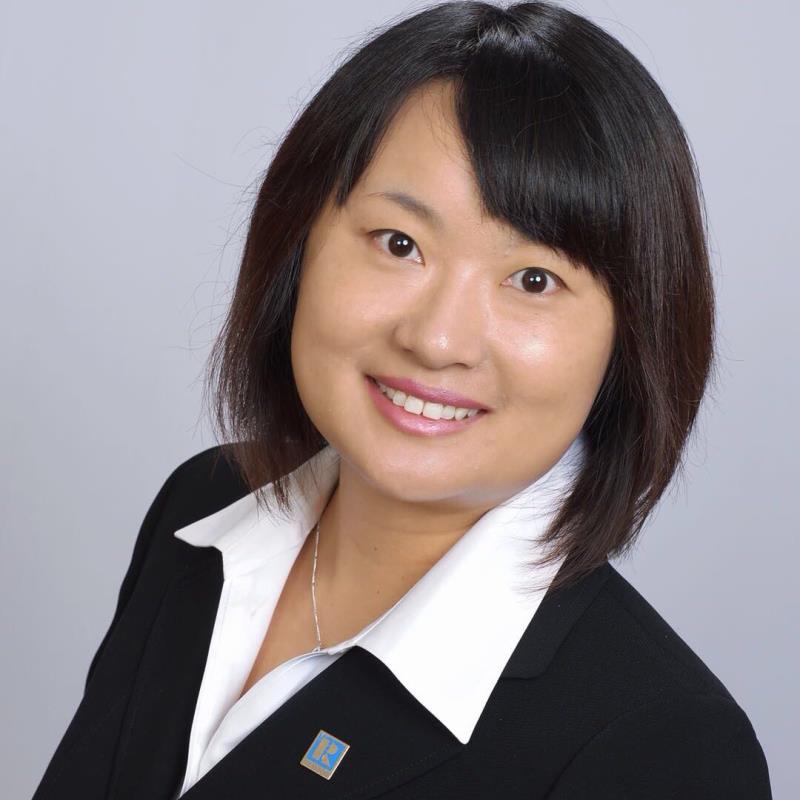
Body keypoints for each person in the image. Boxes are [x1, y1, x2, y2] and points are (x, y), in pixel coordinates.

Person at [32, 2, 773, 798]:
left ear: (632, 340)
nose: (437, 338)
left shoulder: (661, 748)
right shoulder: (204, 505)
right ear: (297, 241)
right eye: (400, 244)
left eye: (533, 280)